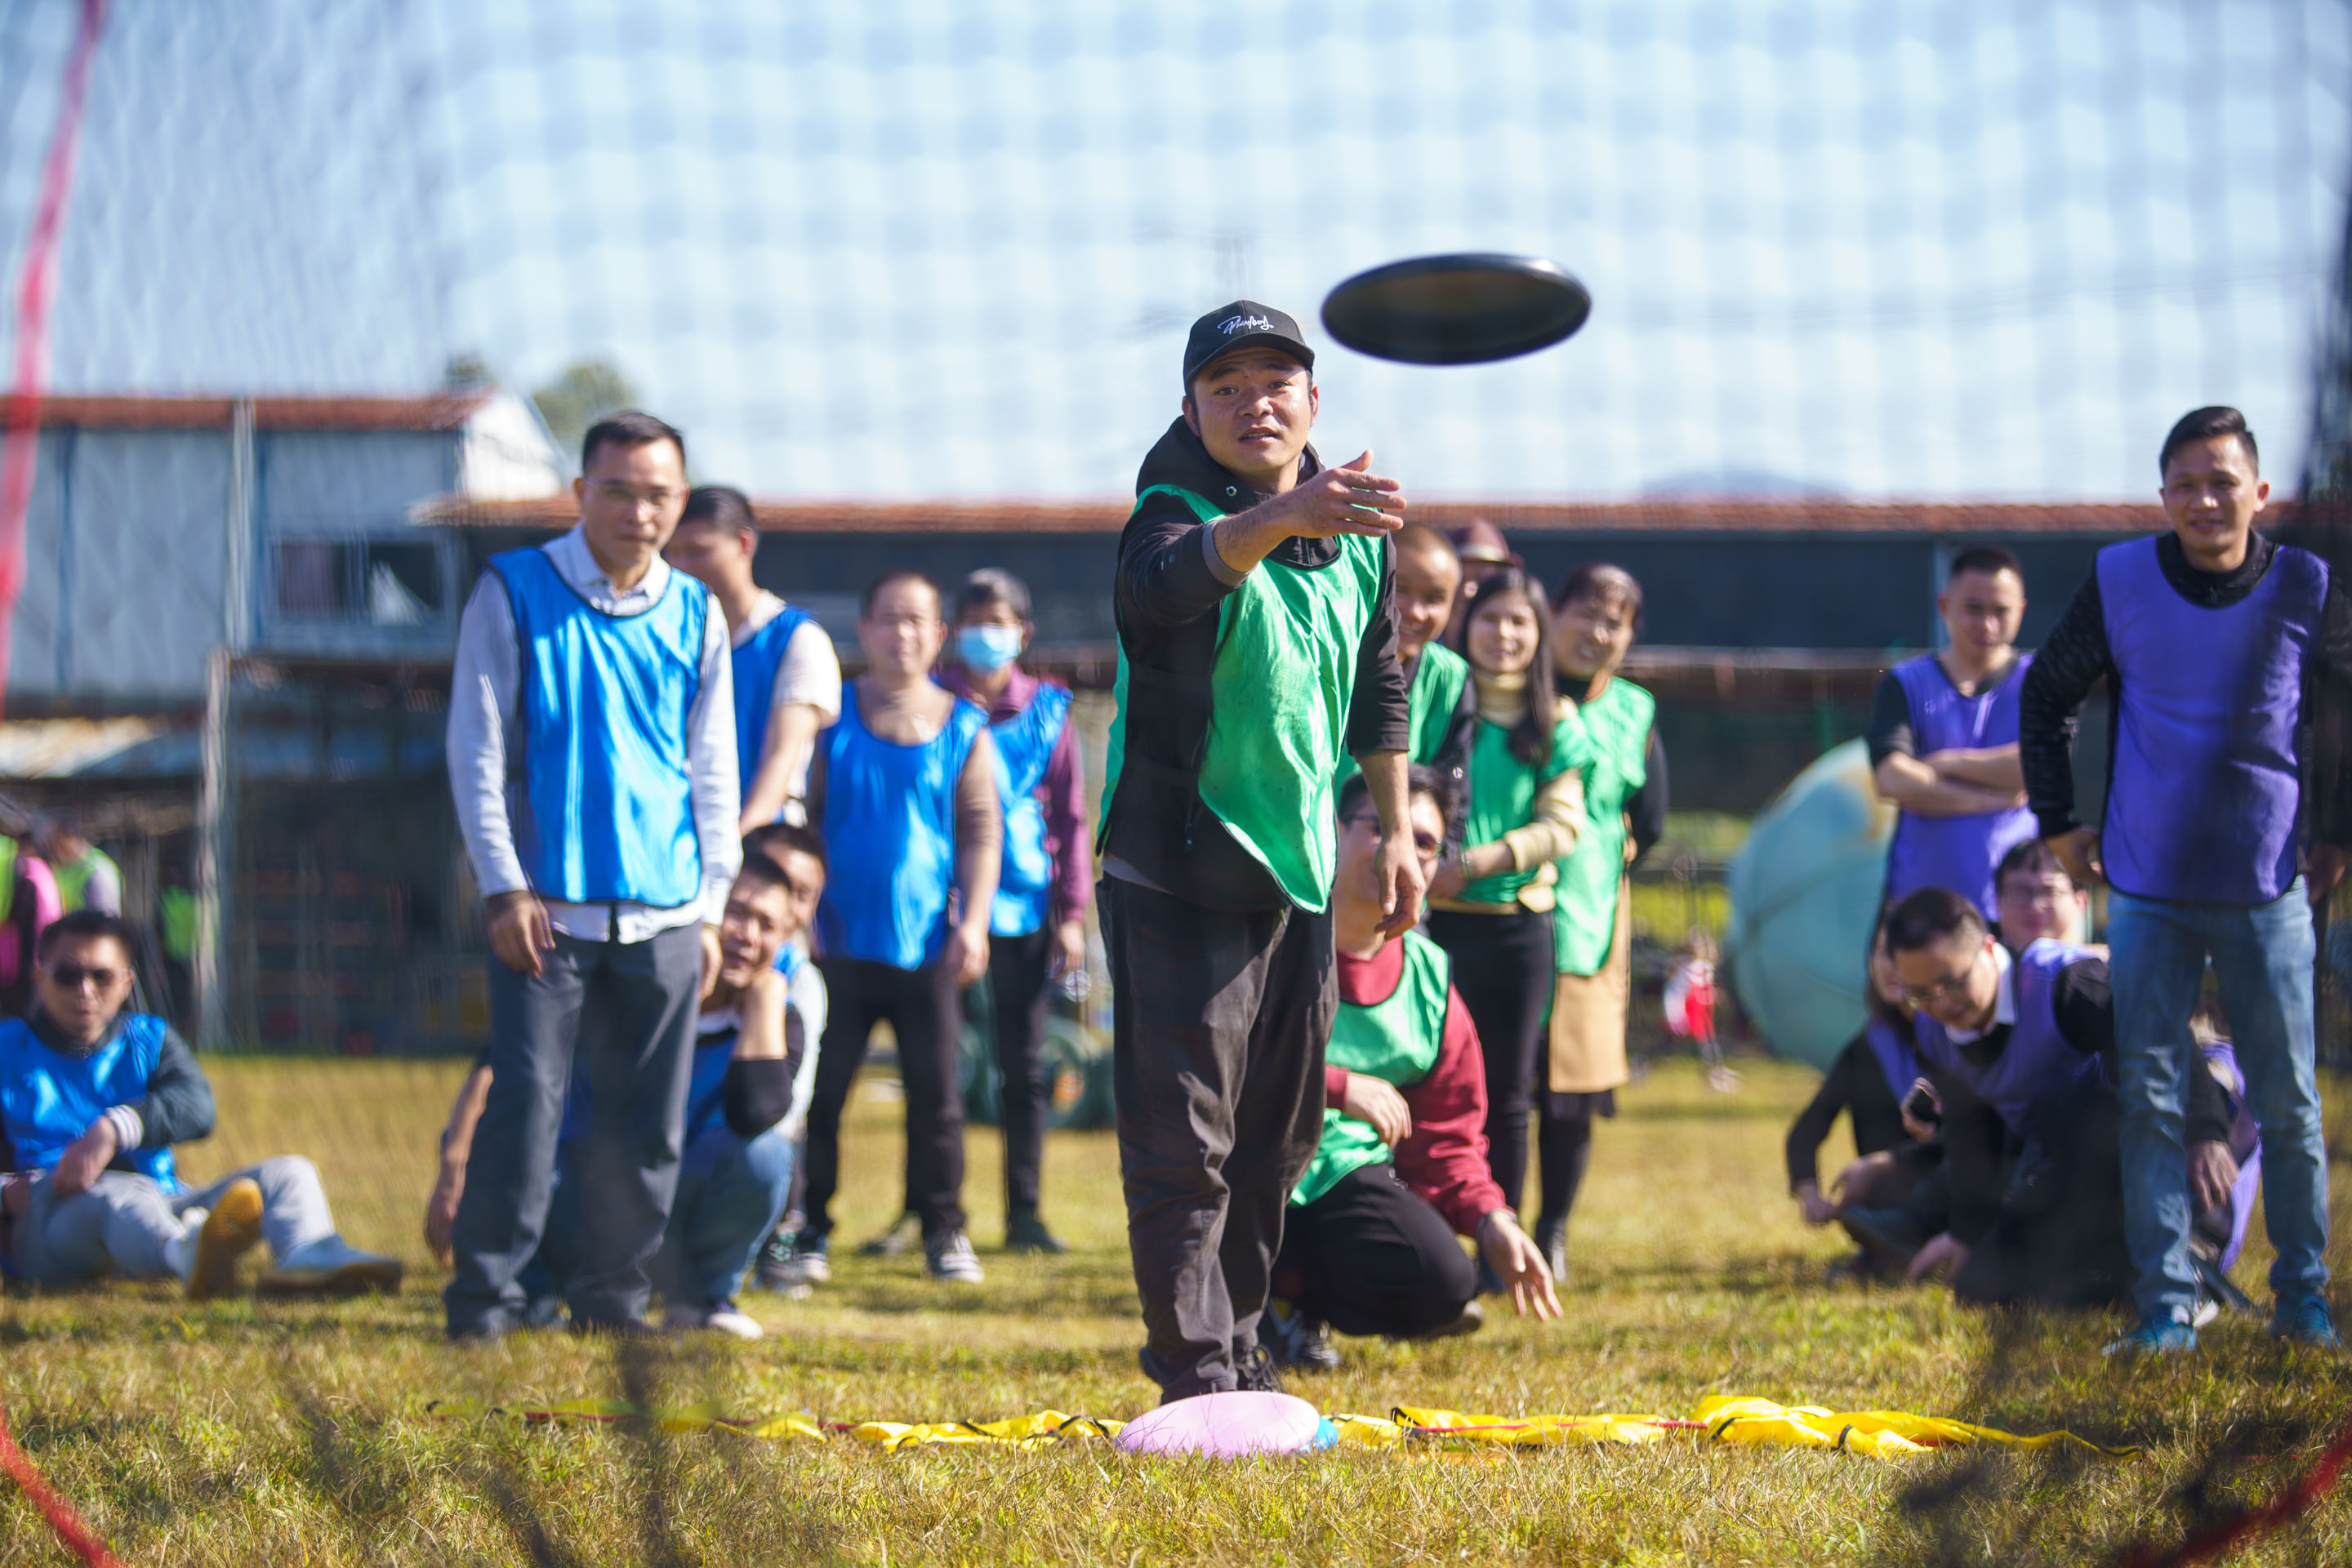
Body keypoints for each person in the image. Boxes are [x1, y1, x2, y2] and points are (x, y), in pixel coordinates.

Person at [1098, 300, 1422, 1401]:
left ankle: (1241, 1349)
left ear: (1313, 402)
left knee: (1277, 1136)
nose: (1254, 403)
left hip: (1300, 868)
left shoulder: (1354, 536)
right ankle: (1192, 1371)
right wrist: (1284, 515)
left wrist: (1396, 829)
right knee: (1184, 1135)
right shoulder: (1170, 511)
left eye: (1275, 382)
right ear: (1192, 409)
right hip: (1177, 863)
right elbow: (1161, 589)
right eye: (1226, 386)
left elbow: (1381, 684)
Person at [2020, 405, 2350, 1353]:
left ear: (2261, 490)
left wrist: (2339, 832)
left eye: (2223, 480)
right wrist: (2057, 825)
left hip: (2269, 882)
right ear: (2162, 496)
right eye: (2186, 484)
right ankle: (2165, 1305)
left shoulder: (2309, 584)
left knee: (2288, 1101)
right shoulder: (2120, 577)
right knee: (2151, 1098)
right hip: (2148, 885)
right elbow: (2048, 696)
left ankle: (2304, 1302)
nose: (2206, 498)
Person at [442, 411, 740, 1342]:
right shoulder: (513, 589)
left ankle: (612, 1304)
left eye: (658, 494)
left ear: (679, 502)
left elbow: (714, 770)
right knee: (525, 1113)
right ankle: (484, 1304)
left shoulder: (697, 612)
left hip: (668, 913)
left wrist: (714, 905)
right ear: (581, 493)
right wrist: (502, 884)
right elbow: (475, 750)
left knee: (647, 1128)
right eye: (618, 489)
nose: (637, 510)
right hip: (543, 915)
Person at [425, 845, 822, 1339]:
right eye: (737, 913)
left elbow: (756, 1113)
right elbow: (499, 1071)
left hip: (676, 1214)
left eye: (768, 925)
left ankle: (701, 1297)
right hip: (585, 1204)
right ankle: (536, 1290)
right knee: (536, 1147)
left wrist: (763, 1002)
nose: (747, 935)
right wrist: (452, 1173)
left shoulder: (777, 1019)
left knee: (765, 1157)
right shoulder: (623, 990)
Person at [1263, 768, 1561, 1369]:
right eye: (1384, 827)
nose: (1404, 849)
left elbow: (1451, 1135)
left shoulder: (1429, 977)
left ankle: (1291, 1301)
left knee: (1444, 1280)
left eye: (1425, 842)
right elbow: (1220, 1067)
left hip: (1347, 1178)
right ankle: (1250, 1303)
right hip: (1251, 1168)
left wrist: (1490, 1217)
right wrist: (1338, 1088)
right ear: (1334, 831)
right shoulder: (1269, 940)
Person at [2, 911, 399, 1296]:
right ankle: (189, 1254)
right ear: (40, 978)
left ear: (126, 983)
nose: (85, 991)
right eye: (68, 976)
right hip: (50, 1214)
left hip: (164, 1201)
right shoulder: (7, 1049)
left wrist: (113, 1128)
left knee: (289, 1172)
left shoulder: (149, 1039)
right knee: (120, 1194)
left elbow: (197, 1107)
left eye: (101, 977)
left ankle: (310, 1255)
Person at [1882, 889, 2242, 1313]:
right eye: (1921, 993)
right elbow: (1972, 1136)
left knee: (2073, 1111)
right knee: (1981, 1290)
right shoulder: (1932, 1031)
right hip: (2058, 1172)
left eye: (1953, 982)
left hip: (2164, 1158)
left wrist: (2204, 1132)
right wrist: (1965, 1233)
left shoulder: (2067, 985)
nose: (1941, 1003)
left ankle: (2188, 1268)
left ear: (1988, 947)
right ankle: (2126, 1281)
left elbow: (2162, 1040)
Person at [795, 569, 1000, 1285]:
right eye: (889, 619)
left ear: (940, 635)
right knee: (818, 1096)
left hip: (927, 951)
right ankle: (806, 1229)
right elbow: (807, 825)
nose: (902, 633)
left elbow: (980, 834)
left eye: (917, 620)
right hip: (835, 948)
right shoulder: (830, 721)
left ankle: (945, 1231)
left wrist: (972, 923)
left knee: (938, 1099)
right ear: (865, 629)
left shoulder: (964, 727)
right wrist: (800, 920)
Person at [1424, 568, 1590, 1245]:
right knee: (1431, 1085)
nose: (1505, 634)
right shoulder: (1438, 702)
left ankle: (1504, 1244)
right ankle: (1431, 1240)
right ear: (1468, 625)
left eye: (1520, 621)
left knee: (1510, 1096)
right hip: (1436, 926)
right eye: (1492, 619)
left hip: (1521, 932)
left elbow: (1564, 826)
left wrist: (1474, 864)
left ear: (1539, 633)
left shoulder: (1559, 720)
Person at [939, 568, 1089, 1254]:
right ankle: (931, 1211)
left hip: (1025, 911)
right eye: (971, 620)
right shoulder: (931, 706)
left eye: (995, 621)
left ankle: (1024, 1213)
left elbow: (1070, 819)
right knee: (938, 1067)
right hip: (939, 914)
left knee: (1024, 1068)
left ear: (1022, 633)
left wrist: (1071, 913)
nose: (983, 634)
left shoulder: (1050, 713)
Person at [1539, 563, 1668, 1278]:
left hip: (1588, 923)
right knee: (1497, 1089)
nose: (1596, 631)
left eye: (1614, 622)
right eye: (1584, 612)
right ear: (1552, 614)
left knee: (1572, 1093)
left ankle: (1552, 1231)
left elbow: (1648, 823)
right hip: (1501, 912)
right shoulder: (1508, 691)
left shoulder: (1635, 712)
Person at [662, 484, 844, 831]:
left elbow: (780, 761)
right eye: (673, 552)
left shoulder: (796, 639)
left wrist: (735, 847)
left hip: (762, 846)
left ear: (744, 544)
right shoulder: (668, 637)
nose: (681, 566)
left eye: (697, 551)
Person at [1871, 546, 2035, 917]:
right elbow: (1892, 778)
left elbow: (2037, 767)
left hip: (2019, 916)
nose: (1988, 625)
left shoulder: (2041, 682)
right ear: (1944, 606)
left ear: (2021, 611)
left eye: (2001, 611)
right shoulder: (1904, 683)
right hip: (1919, 910)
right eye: (1974, 609)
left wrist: (1946, 764)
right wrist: (1988, 800)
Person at [1785, 916, 1929, 1255]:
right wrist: (1811, 1198)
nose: (1892, 966)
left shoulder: (1955, 1038)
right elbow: (1804, 1133)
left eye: (1904, 952)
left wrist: (1887, 1162)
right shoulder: (1865, 1049)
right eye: (1882, 952)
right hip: (1884, 1204)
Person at [1990, 836, 2091, 953]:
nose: (2035, 906)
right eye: (2020, 892)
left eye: (2050, 892)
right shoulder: (1978, 968)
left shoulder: (2109, 967)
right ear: (1997, 901)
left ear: (2081, 900)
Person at [0, 836, 60, 1019]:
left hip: (26, 955)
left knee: (23, 1008)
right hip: (42, 949)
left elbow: (20, 920)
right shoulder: (45, 874)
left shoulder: (29, 879)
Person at [36, 821, 121, 916]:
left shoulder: (98, 869)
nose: (55, 850)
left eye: (59, 843)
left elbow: (106, 916)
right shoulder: (67, 867)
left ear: (73, 839)